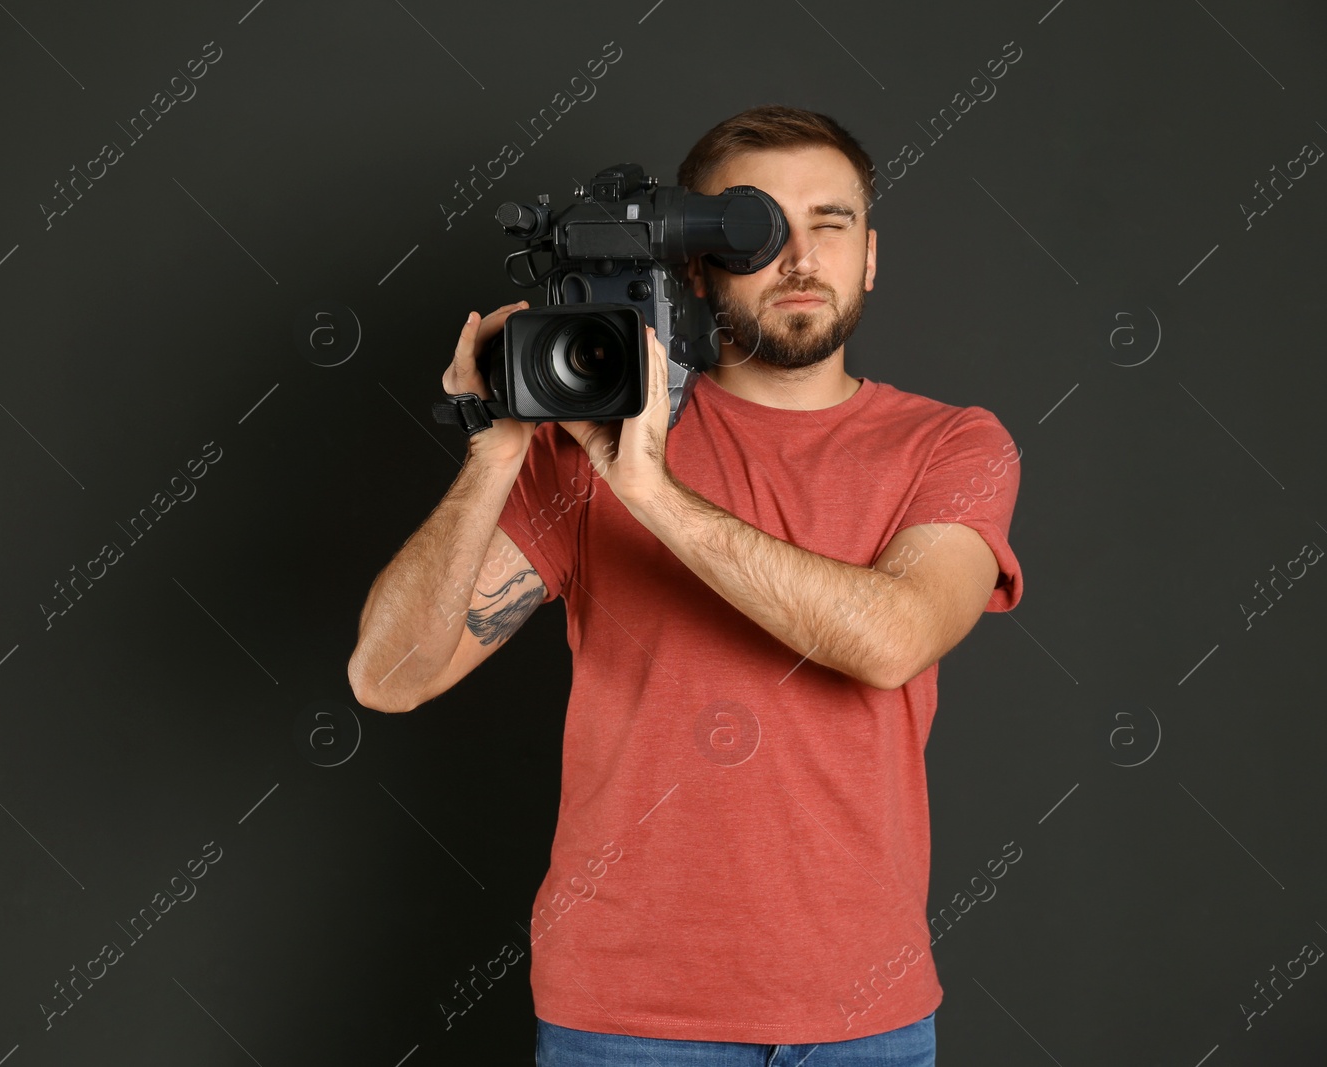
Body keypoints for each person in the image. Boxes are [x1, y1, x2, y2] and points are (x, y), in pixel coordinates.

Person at [347, 104, 1023, 1067]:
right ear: (695, 261)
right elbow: (388, 676)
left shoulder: (950, 444)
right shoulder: (579, 444)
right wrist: (495, 453)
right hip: (626, 1021)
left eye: (831, 223)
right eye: (756, 227)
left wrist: (650, 492)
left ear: (870, 256)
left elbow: (890, 638)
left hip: (861, 1018)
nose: (798, 257)